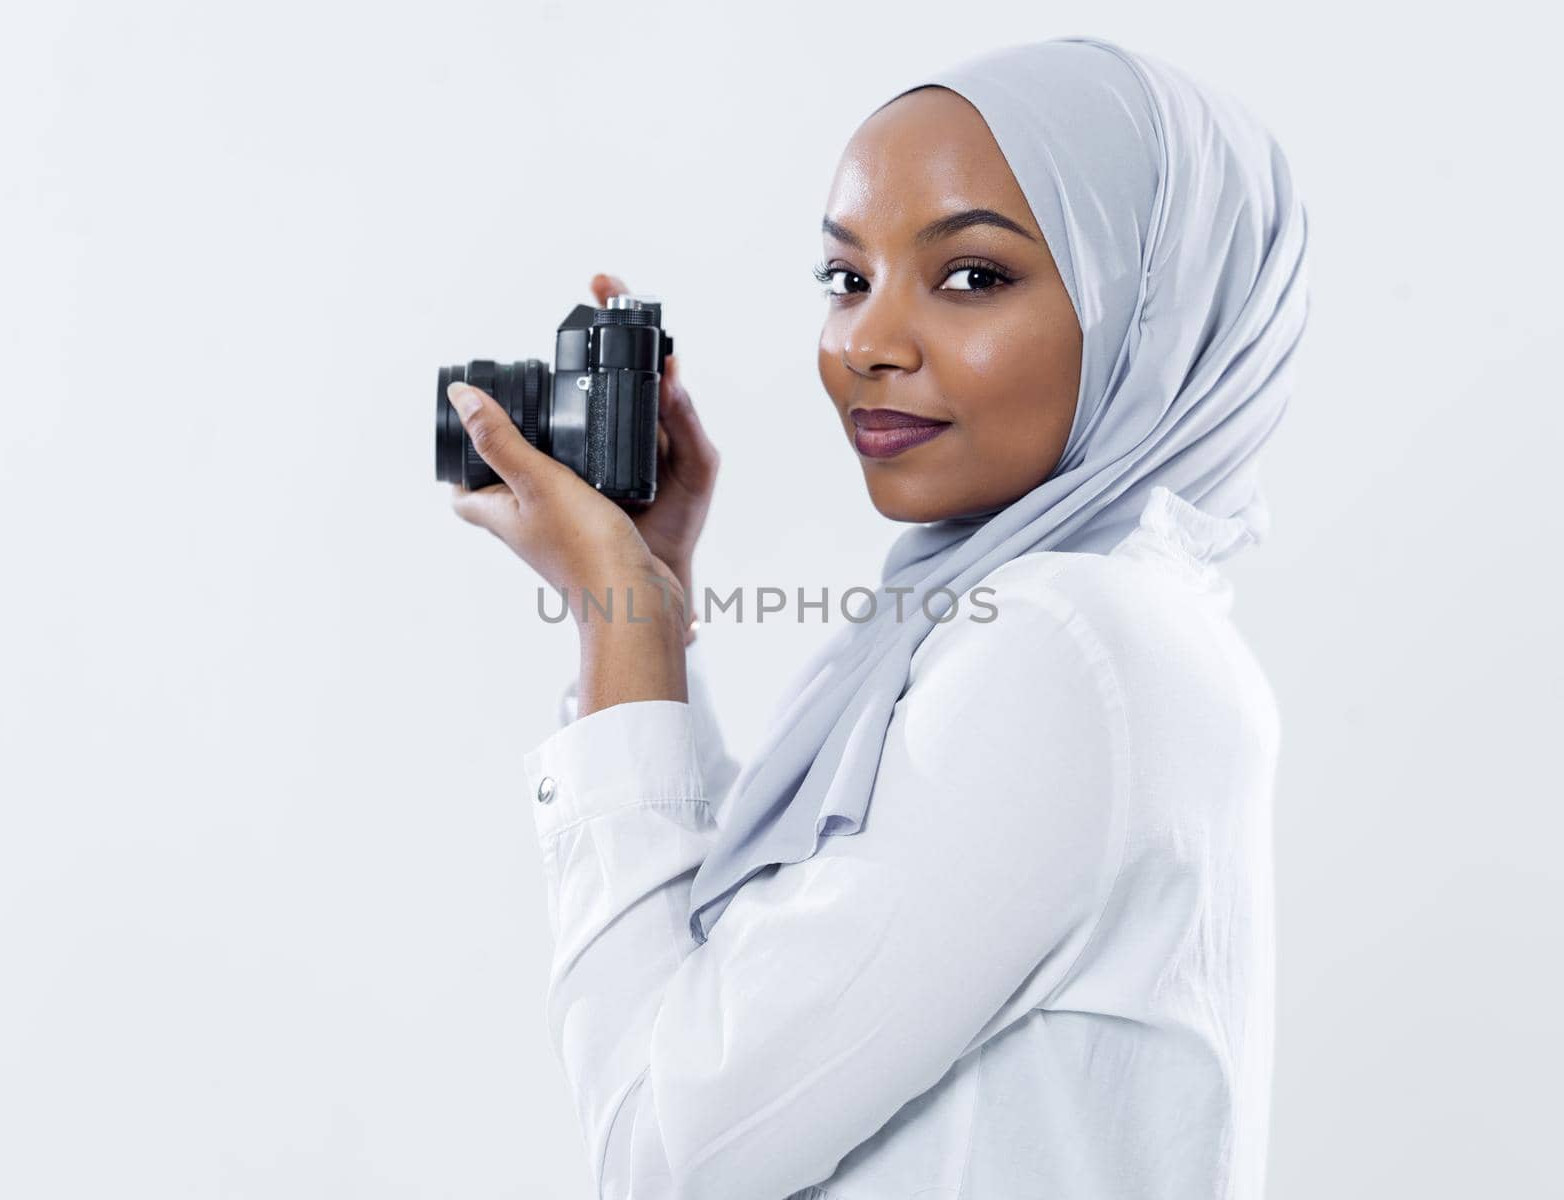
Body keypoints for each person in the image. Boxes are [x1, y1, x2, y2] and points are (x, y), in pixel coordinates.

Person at [444, 34, 1308, 1200]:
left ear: (1153, 311)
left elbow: (662, 1153)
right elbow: (757, 979)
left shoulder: (1069, 640)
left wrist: (621, 626)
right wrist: (647, 594)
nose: (868, 343)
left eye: (969, 278)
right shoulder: (1103, 628)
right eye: (847, 280)